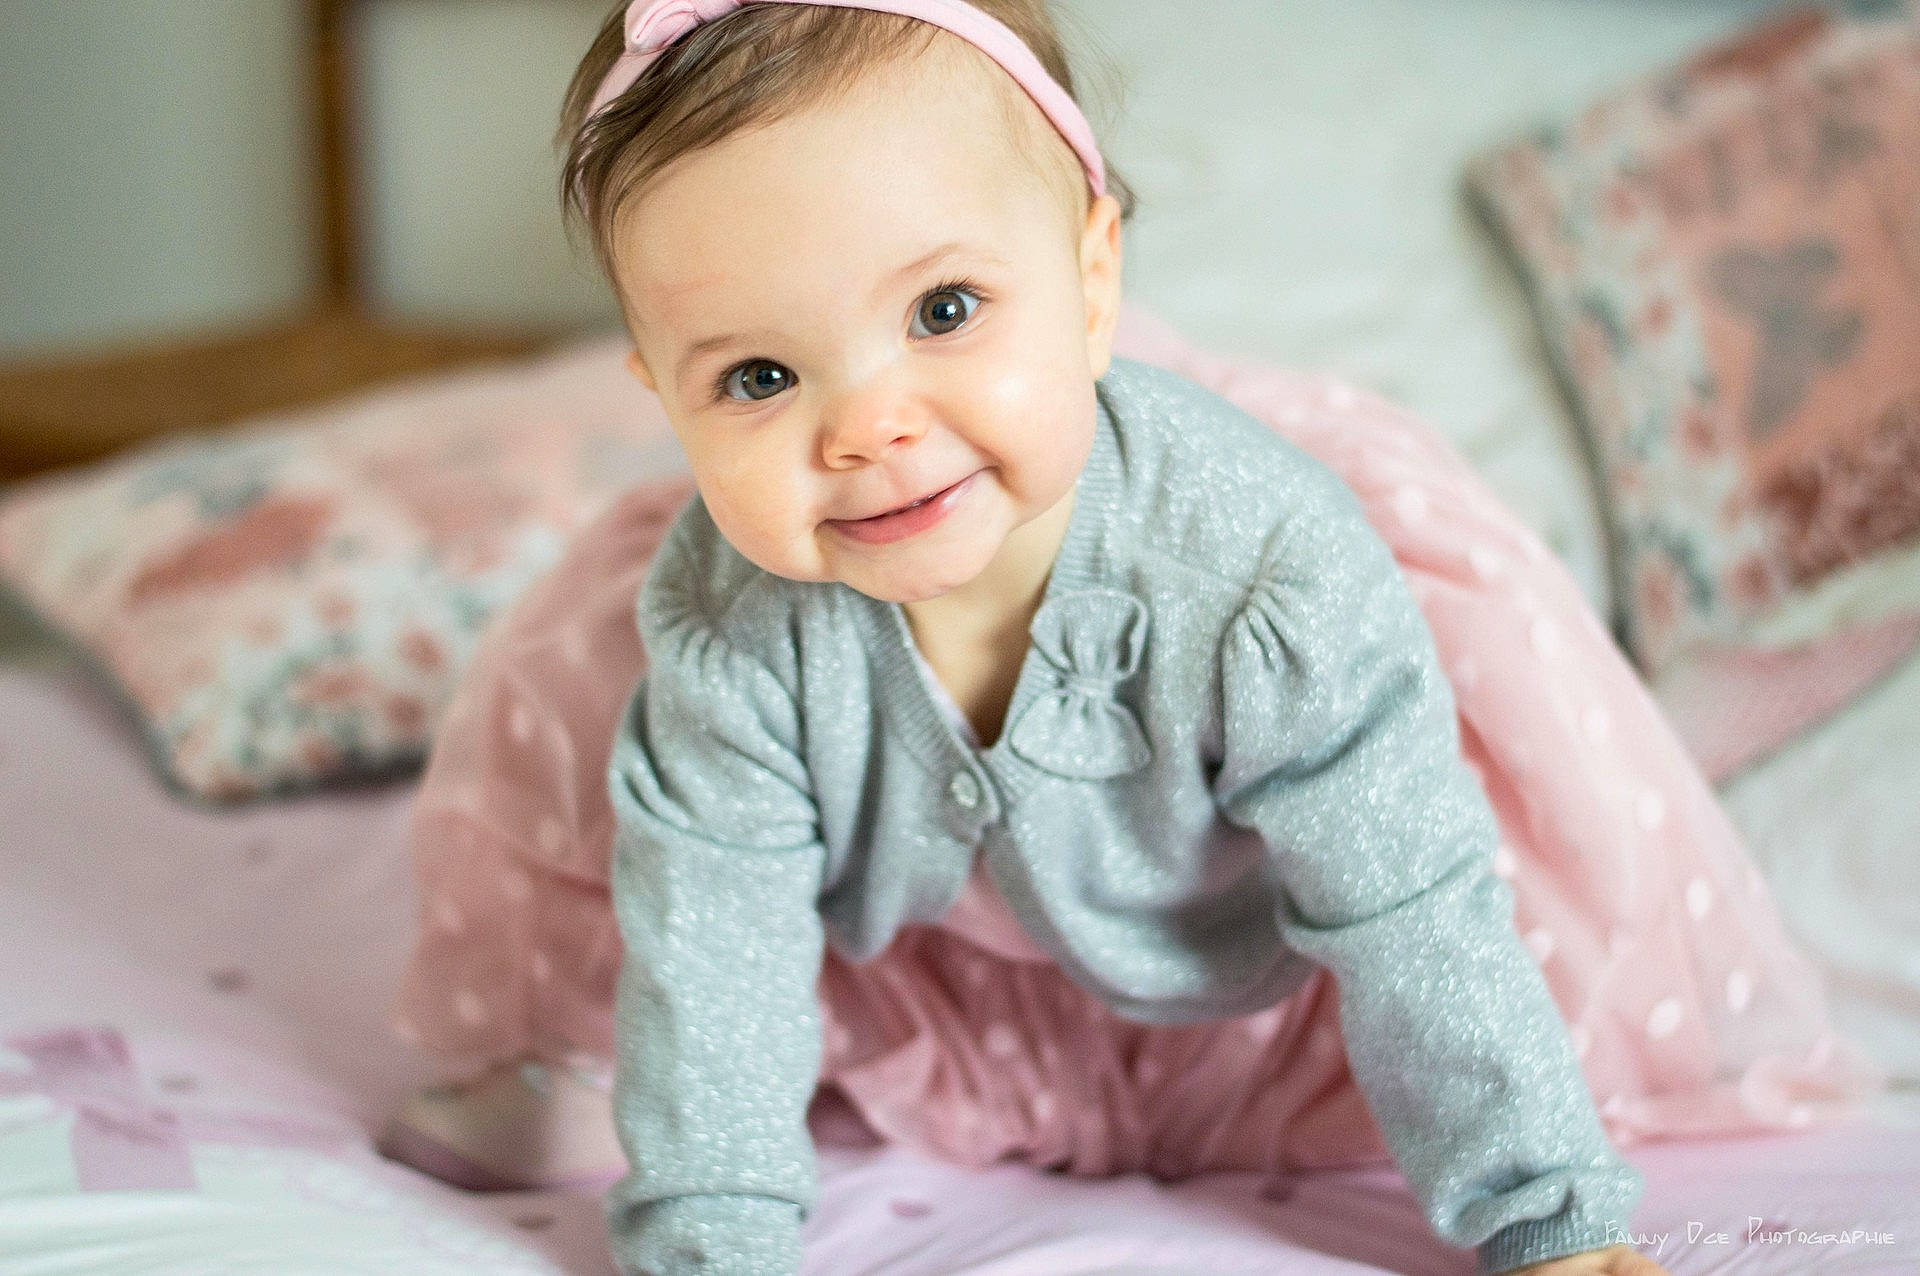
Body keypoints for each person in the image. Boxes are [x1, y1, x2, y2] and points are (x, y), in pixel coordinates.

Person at [377, 2, 1883, 1273]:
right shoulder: (733, 624)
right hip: (951, 970)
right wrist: (713, 1240)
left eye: (945, 310)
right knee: (673, 965)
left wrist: (1544, 1222)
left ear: (1094, 280)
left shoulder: (1261, 569)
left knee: (1452, 971)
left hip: (1267, 980)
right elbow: (721, 948)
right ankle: (591, 1071)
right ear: (662, 394)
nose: (869, 429)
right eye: (760, 378)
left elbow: (1406, 912)